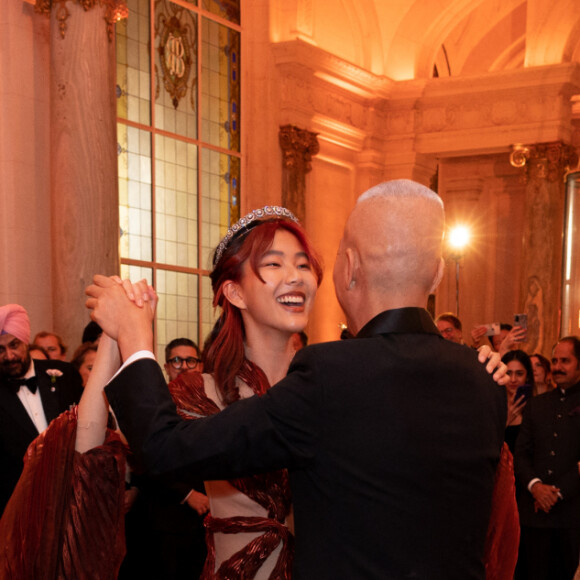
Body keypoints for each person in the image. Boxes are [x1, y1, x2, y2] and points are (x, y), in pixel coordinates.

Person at [91, 181, 511, 579]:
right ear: (438, 274)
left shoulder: (328, 376)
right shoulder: (484, 380)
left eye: (303, 263)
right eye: (272, 264)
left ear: (348, 269)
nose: (294, 276)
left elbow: (163, 448)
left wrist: (135, 339)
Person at [0, 304, 83, 516]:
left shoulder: (63, 375)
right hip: (19, 505)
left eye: (14, 345)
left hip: (71, 497)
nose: (9, 356)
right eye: (0, 349)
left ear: (25, 340)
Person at [515, 336, 580, 580]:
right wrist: (536, 487)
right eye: (554, 360)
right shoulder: (537, 405)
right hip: (534, 513)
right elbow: (521, 453)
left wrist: (556, 492)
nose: (557, 366)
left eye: (565, 361)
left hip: (570, 513)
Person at [502, 349, 534, 455]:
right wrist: (506, 420)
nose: (513, 379)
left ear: (527, 376)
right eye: (508, 373)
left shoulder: (535, 408)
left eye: (519, 374)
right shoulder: (492, 405)